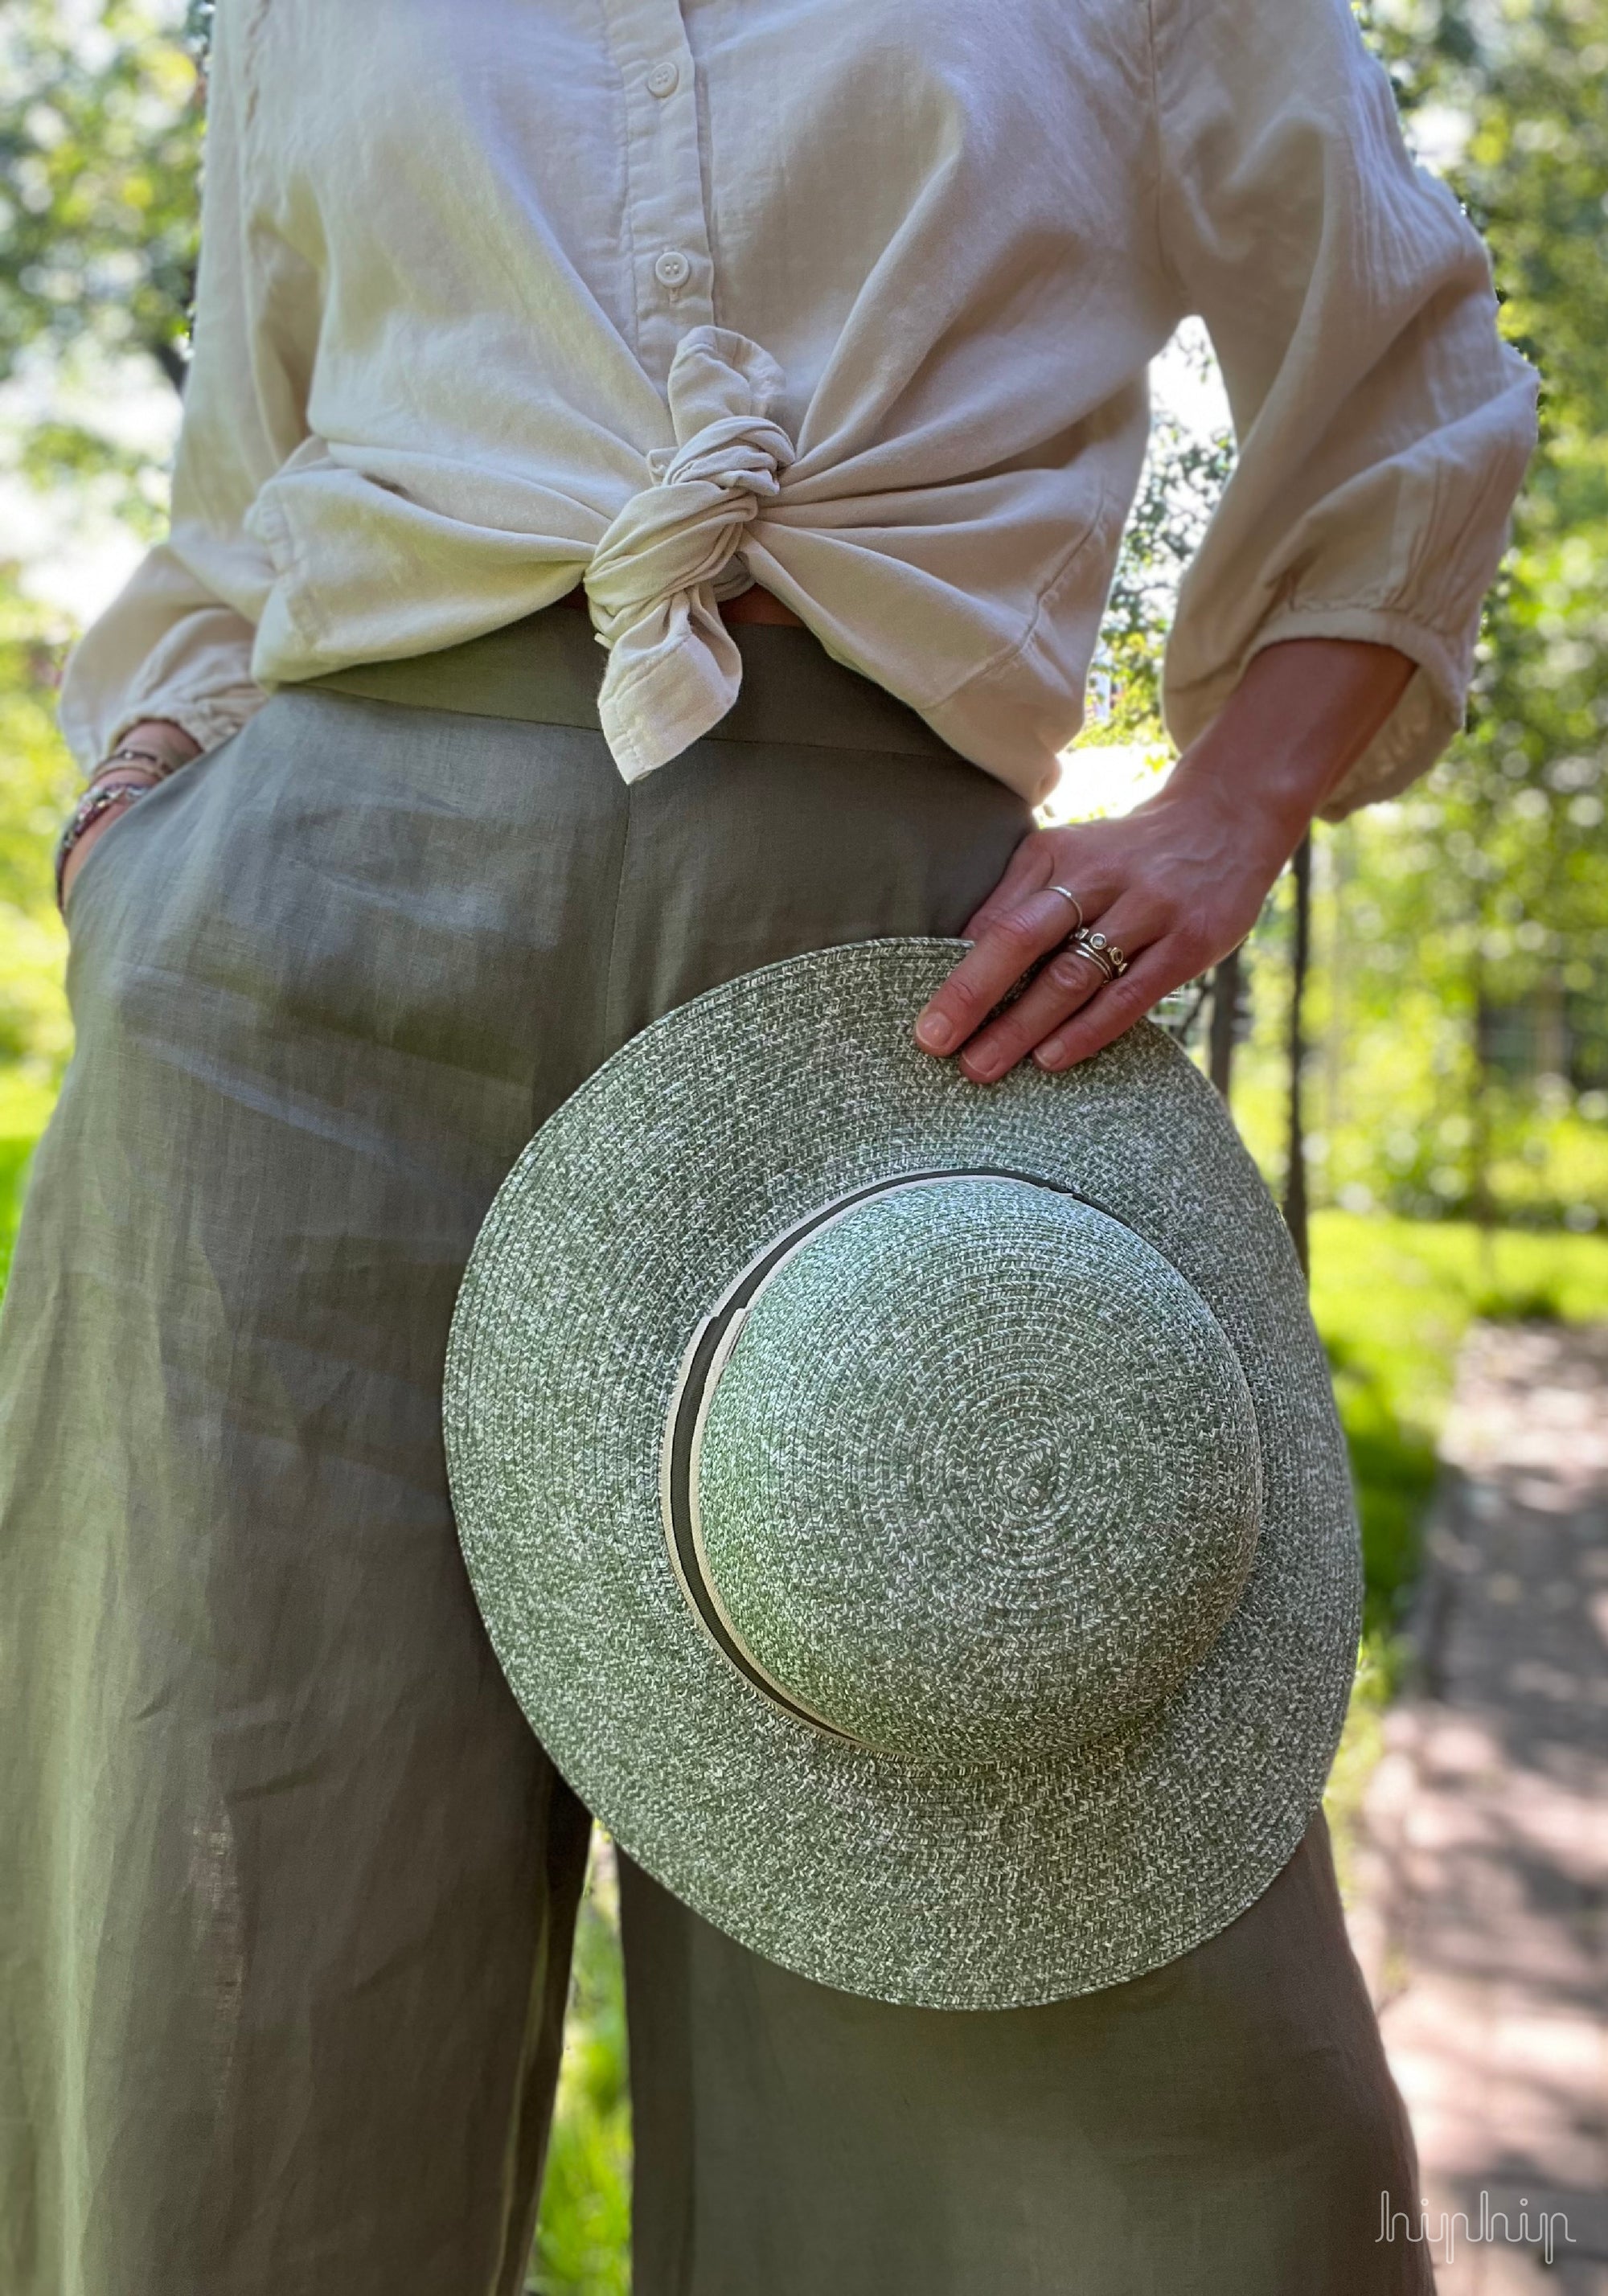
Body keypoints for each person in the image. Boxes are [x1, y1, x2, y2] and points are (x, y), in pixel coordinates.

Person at [2, 1, 1535, 2291]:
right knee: (229, 1984)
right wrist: (133, 829)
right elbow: (246, 470)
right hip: (293, 999)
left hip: (892, 1006)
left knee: (1093, 2053)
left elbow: (1406, 375)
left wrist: (1229, 808)